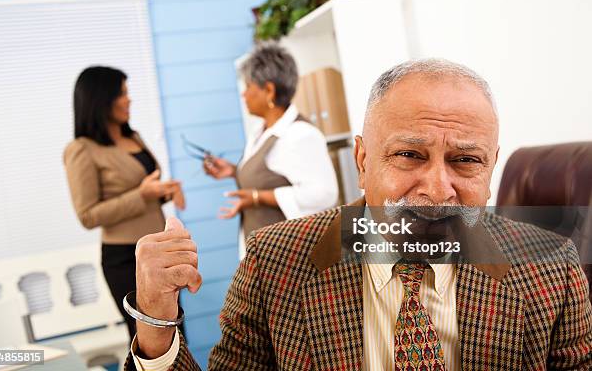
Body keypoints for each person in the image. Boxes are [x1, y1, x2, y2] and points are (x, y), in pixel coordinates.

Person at [125, 59, 592, 370]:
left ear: (491, 167)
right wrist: (155, 323)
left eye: (466, 161)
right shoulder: (274, 262)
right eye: (410, 155)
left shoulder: (551, 268)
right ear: (363, 162)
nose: (437, 188)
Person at [63, 66, 185, 342]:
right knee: (148, 340)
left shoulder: (134, 137)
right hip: (124, 258)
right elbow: (87, 215)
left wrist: (165, 191)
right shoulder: (82, 150)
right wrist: (142, 195)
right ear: (100, 99)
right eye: (122, 93)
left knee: (176, 334)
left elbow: (144, 190)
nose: (129, 100)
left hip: (159, 250)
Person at [203, 42, 338, 238]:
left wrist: (259, 198)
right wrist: (234, 171)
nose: (244, 94)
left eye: (248, 86)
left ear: (269, 90)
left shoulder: (300, 134)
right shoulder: (261, 132)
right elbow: (271, 175)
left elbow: (325, 194)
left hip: (288, 253)